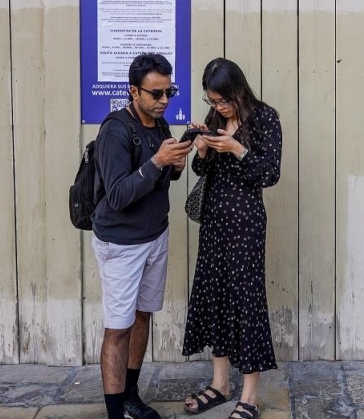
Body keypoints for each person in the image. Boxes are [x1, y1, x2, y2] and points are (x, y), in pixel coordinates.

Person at [91, 53, 193, 419]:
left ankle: (130, 396)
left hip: (155, 236)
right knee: (117, 329)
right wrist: (158, 163)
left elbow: (159, 181)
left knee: (141, 317)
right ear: (133, 91)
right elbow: (117, 195)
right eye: (156, 94)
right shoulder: (115, 130)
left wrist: (175, 164)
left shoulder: (160, 125)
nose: (164, 100)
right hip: (121, 244)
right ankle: (115, 413)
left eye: (170, 92)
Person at [182, 57, 282, 419]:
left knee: (246, 300)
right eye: (212, 102)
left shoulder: (265, 117)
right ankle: (221, 383)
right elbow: (201, 170)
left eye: (222, 101)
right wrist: (205, 151)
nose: (218, 107)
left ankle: (250, 394)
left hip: (245, 224)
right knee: (216, 297)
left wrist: (237, 149)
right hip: (214, 221)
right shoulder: (215, 120)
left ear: (238, 90)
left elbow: (270, 173)